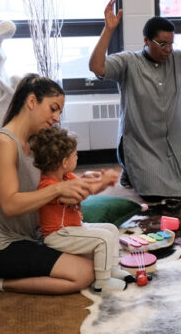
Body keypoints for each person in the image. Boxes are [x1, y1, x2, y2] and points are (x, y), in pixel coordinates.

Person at [0, 75, 96, 294]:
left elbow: (56, 184)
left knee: (95, 251)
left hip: (27, 237)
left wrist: (90, 183)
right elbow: (10, 205)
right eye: (53, 108)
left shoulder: (35, 143)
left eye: (59, 112)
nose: (56, 117)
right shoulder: (3, 143)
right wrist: (57, 189)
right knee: (84, 273)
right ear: (32, 101)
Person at [89, 0, 181, 201]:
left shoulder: (178, 58)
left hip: (176, 143)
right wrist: (108, 29)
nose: (167, 49)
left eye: (170, 44)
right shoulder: (128, 62)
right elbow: (96, 67)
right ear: (146, 41)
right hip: (143, 145)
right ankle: (131, 171)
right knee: (155, 195)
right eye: (162, 44)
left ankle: (132, 174)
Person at [29, 126, 128, 293]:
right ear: (65, 162)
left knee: (110, 229)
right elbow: (76, 197)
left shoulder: (66, 177)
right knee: (102, 238)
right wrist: (102, 182)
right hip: (58, 235)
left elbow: (87, 188)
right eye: (75, 155)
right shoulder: (48, 185)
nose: (77, 157)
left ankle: (111, 268)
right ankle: (102, 282)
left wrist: (100, 182)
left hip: (73, 228)